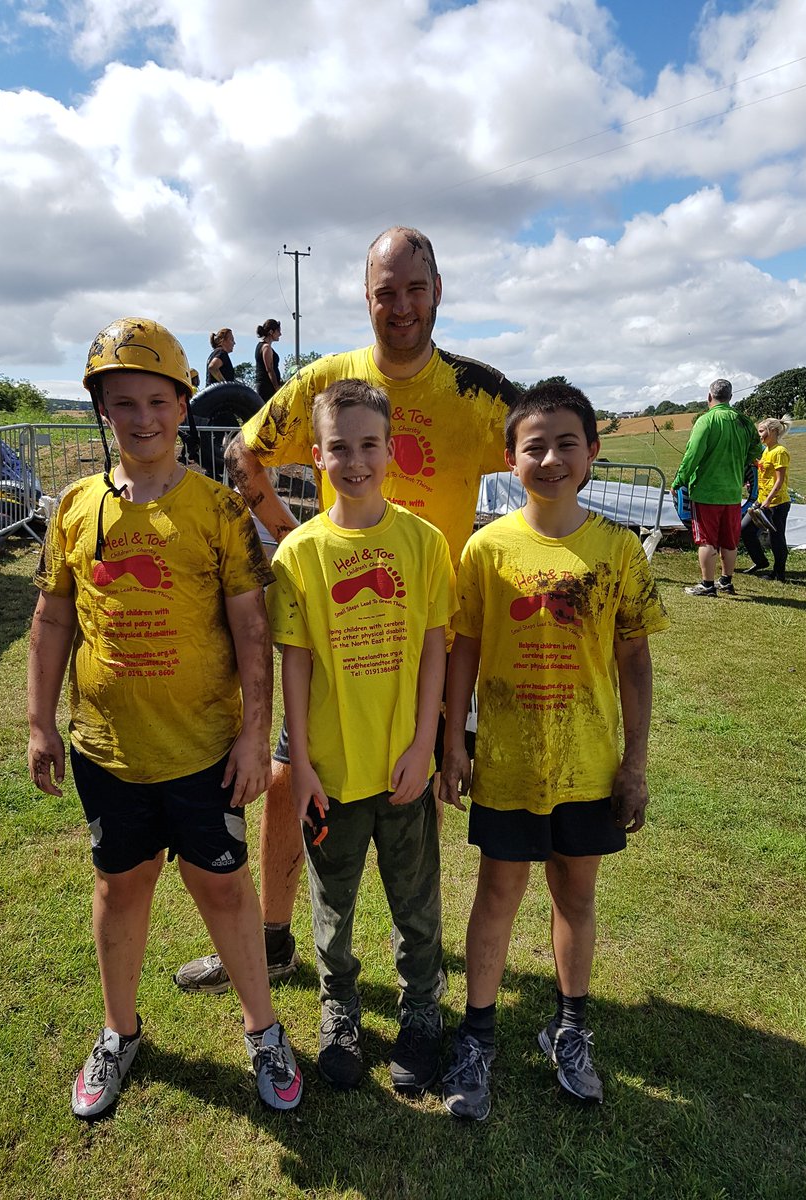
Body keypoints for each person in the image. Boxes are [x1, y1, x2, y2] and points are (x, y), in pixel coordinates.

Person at [173, 225, 519, 995]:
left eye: (415, 289)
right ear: (366, 300)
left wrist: (517, 559)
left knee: (415, 792)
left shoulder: (479, 395)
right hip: (331, 637)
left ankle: (412, 959)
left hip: (427, 638)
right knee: (291, 779)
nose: (401, 307)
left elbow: (549, 453)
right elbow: (243, 451)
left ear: (438, 292)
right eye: (385, 292)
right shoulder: (329, 381)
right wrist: (291, 539)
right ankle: (272, 942)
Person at [27, 317, 302, 1119]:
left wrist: (257, 733)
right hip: (109, 751)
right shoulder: (75, 509)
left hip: (204, 752)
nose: (141, 418)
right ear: (101, 411)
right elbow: (52, 620)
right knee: (121, 885)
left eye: (156, 400)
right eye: (122, 403)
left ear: (184, 405)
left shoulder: (218, 510)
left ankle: (263, 1030)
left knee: (222, 887)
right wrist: (40, 722)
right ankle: (120, 1032)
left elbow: (253, 632)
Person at [439, 381, 669, 1120]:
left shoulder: (617, 549)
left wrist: (634, 765)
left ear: (592, 453)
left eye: (566, 443)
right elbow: (463, 654)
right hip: (507, 762)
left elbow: (634, 660)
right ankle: (477, 1039)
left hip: (589, 763)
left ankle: (570, 1029)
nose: (549, 458)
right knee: (498, 894)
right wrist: (453, 742)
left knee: (576, 892)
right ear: (510, 459)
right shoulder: (486, 549)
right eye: (533, 446)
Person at [268, 378, 454, 1091]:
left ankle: (420, 1012)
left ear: (390, 451)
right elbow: (297, 662)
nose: (355, 461)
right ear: (317, 454)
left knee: (416, 902)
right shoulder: (300, 553)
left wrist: (423, 747)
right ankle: (338, 1006)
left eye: (368, 445)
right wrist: (303, 764)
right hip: (332, 776)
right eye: (339, 447)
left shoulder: (423, 543)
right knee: (332, 904)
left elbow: (435, 648)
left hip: (403, 769)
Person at [671, 379, 762, 598]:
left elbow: (693, 454)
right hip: (732, 492)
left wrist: (679, 481)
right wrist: (741, 464)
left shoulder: (706, 420)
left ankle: (707, 584)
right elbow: (757, 449)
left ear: (709, 397)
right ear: (731, 397)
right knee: (730, 540)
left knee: (706, 540)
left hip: (706, 492)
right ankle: (726, 581)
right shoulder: (744, 421)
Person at [741, 416, 792, 583]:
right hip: (762, 500)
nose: (759, 435)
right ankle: (761, 561)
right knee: (745, 529)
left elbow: (779, 480)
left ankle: (779, 573)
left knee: (776, 537)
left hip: (777, 503)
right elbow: (763, 468)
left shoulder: (780, 452)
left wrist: (768, 501)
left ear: (774, 431)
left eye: (762, 431)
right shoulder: (766, 450)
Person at [254, 320, 283, 400]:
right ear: (271, 332)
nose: (280, 334)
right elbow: (269, 369)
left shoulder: (263, 346)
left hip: (266, 387)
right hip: (267, 388)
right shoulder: (266, 347)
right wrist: (277, 387)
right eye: (278, 331)